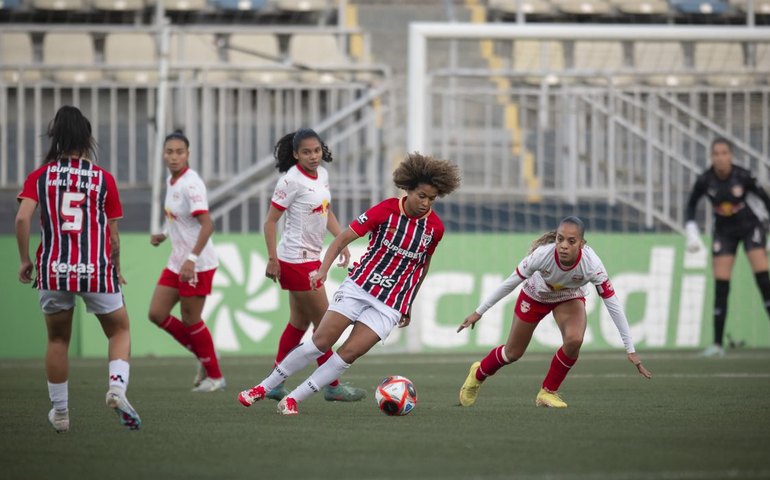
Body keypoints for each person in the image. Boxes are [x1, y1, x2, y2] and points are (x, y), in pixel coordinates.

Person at [237, 152, 462, 415]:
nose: (426, 203)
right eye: (421, 196)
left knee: (349, 354)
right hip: (360, 287)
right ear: (408, 190)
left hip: (390, 303)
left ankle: (294, 399)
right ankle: (262, 388)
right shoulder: (385, 210)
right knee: (319, 342)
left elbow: (422, 265)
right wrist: (322, 270)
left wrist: (408, 301)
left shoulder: (435, 228)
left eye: (432, 199)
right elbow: (341, 239)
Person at [15, 105, 141, 432]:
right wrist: (115, 267)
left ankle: (60, 414)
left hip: (53, 268)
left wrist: (25, 259)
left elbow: (21, 218)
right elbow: (112, 236)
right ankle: (116, 388)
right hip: (96, 269)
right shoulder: (103, 179)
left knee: (58, 340)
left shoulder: (40, 176)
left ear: (55, 137)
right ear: (88, 139)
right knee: (120, 330)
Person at [457, 216, 652, 409]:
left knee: (575, 340)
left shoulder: (592, 265)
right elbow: (509, 283)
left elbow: (613, 304)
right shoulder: (542, 255)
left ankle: (547, 392)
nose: (564, 245)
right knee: (512, 353)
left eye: (571, 241)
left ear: (582, 244)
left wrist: (630, 349)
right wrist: (479, 312)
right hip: (535, 296)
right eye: (560, 239)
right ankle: (478, 374)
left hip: (568, 297)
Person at [261, 128, 365, 402]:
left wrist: (340, 242)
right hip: (295, 261)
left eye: (316, 150)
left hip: (311, 258)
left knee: (298, 324)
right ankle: (332, 386)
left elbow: (325, 210)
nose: (313, 156)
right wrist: (272, 259)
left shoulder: (323, 175)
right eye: (306, 152)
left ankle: (274, 382)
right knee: (325, 326)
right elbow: (270, 222)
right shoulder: (290, 181)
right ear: (296, 154)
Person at [147, 131, 225, 392]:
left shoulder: (191, 184)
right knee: (156, 314)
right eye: (169, 152)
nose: (174, 156)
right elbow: (181, 219)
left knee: (191, 320)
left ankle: (215, 376)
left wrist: (191, 259)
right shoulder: (172, 181)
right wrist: (165, 233)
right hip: (177, 260)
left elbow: (207, 224)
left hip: (197, 263)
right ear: (163, 154)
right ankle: (206, 354)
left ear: (188, 154)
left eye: (179, 152)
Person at [685, 137, 770, 357]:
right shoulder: (705, 180)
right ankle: (716, 344)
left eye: (724, 153)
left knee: (763, 280)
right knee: (722, 285)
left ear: (731, 156)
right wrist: (692, 231)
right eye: (716, 154)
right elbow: (691, 205)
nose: (720, 158)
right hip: (724, 231)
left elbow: (765, 199)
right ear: (711, 157)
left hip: (750, 226)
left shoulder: (743, 176)